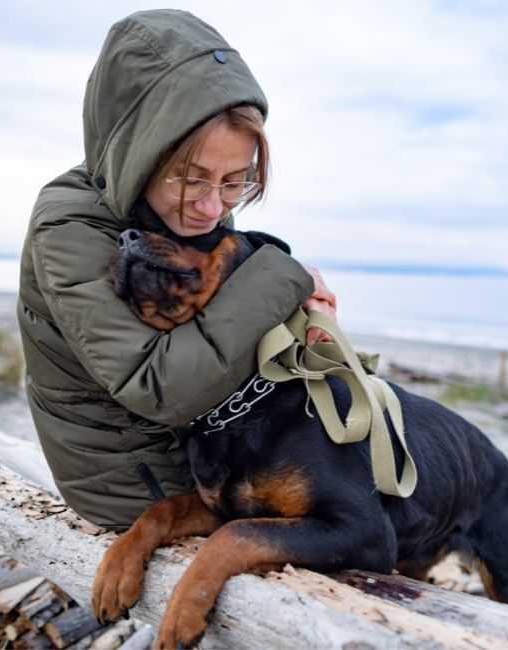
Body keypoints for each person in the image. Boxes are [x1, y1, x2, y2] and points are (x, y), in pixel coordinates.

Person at [17, 9, 336, 531]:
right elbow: (159, 388)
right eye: (191, 179)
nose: (213, 208)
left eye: (235, 182)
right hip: (136, 480)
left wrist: (309, 310)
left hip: (208, 447)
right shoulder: (68, 224)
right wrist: (282, 276)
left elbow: (223, 318)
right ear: (141, 152)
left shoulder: (187, 204)